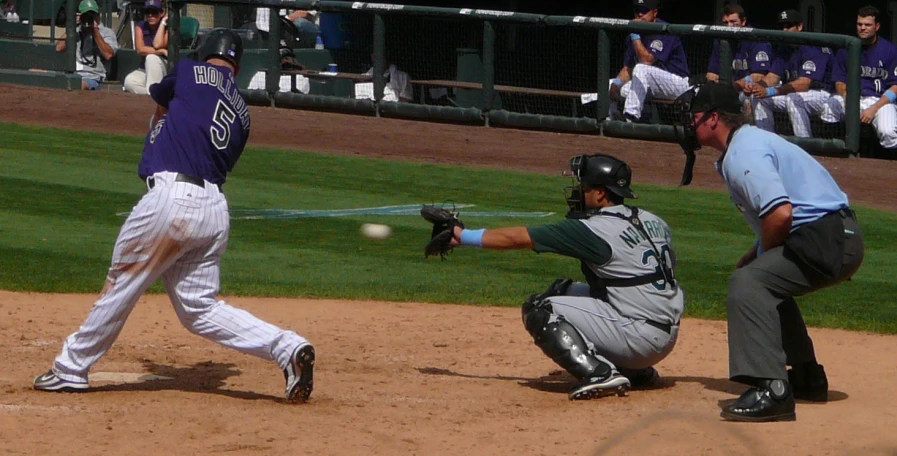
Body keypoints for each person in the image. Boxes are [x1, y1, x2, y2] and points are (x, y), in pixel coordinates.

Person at [33, 29, 316, 403]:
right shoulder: (244, 116)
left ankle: (70, 368)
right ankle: (288, 348)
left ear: (203, 52)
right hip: (213, 211)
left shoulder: (188, 70)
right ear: (238, 64)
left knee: (122, 282)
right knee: (199, 309)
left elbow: (160, 107)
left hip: (172, 198)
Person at [674, 82, 864, 422]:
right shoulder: (747, 143)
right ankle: (807, 376)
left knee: (749, 284)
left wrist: (761, 254)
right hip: (833, 235)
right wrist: (759, 251)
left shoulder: (744, 152)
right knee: (764, 279)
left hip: (827, 238)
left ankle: (770, 389)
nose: (690, 123)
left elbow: (781, 214)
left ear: (714, 119)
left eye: (695, 116)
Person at [442, 153, 683, 400]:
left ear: (601, 194)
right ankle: (635, 372)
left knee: (539, 309)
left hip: (639, 337)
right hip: (664, 330)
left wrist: (462, 236)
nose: (578, 192)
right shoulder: (654, 221)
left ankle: (601, 374)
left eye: (584, 187)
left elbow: (519, 238)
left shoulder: (592, 230)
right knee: (560, 292)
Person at [823, 5, 897, 149]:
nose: (863, 28)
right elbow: (839, 82)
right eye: (859, 24)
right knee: (829, 107)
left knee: (888, 131)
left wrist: (874, 108)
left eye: (867, 24)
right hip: (852, 98)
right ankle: (835, 152)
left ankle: (890, 166)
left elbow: (895, 87)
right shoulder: (846, 49)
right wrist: (848, 100)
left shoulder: (890, 51)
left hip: (880, 101)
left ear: (877, 26)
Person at [752, 10, 834, 137]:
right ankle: (766, 139)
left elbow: (804, 84)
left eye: (789, 26)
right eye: (782, 27)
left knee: (793, 99)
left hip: (823, 94)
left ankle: (805, 145)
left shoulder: (812, 46)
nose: (785, 30)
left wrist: (770, 91)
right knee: (759, 98)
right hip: (796, 93)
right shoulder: (785, 47)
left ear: (799, 26)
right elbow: (773, 76)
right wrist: (759, 86)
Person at [609, 0, 690, 122]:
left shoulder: (664, 30)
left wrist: (635, 34)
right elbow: (628, 68)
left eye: (644, 11)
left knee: (641, 68)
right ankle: (610, 120)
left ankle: (630, 117)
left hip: (678, 84)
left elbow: (646, 60)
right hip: (652, 85)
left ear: (655, 12)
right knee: (610, 84)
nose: (640, 15)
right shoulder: (634, 35)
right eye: (637, 11)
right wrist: (616, 83)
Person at [704, 3, 773, 104]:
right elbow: (711, 73)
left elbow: (758, 76)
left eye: (733, 22)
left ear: (743, 21)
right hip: (730, 89)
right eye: (725, 23)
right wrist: (717, 84)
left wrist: (730, 87)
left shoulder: (756, 39)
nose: (729, 26)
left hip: (755, 88)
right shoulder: (720, 40)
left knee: (751, 96)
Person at [55, 0, 119, 90]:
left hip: (92, 76)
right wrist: (71, 26)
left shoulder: (106, 32)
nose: (90, 18)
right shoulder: (76, 31)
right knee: (37, 73)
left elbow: (108, 55)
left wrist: (95, 32)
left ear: (98, 15)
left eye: (93, 15)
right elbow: (59, 48)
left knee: (78, 85)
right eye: (86, 15)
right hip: (73, 74)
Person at [123, 0, 169, 95]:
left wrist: (163, 23)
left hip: (164, 68)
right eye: (147, 12)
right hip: (144, 69)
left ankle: (153, 97)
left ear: (161, 13)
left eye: (154, 12)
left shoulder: (168, 28)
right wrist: (161, 51)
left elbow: (157, 44)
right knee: (129, 82)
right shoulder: (141, 26)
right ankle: (154, 96)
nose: (150, 15)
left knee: (151, 58)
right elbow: (140, 50)